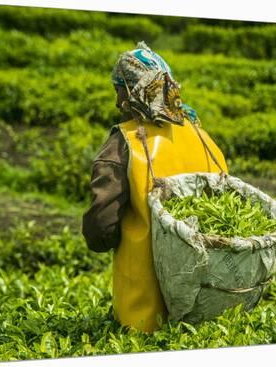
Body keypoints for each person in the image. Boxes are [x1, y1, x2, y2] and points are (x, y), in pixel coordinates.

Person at [82, 41, 228, 333]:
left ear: (133, 89)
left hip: (145, 312)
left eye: (118, 90)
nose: (116, 102)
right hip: (207, 308)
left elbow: (101, 229)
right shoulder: (200, 135)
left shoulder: (124, 142)